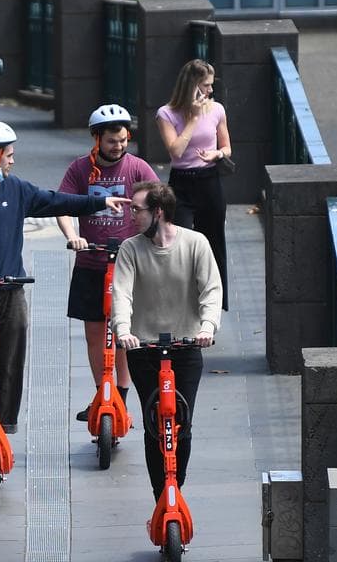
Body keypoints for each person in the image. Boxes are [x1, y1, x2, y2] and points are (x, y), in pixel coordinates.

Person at [0, 121, 128, 439]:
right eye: (9, 155)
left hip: (11, 288)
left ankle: (4, 426)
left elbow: (56, 200)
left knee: (11, 360)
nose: (12, 161)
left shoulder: (15, 189)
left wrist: (98, 202)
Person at [112, 181, 222, 500]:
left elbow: (211, 290)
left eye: (137, 209)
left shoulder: (195, 243)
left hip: (185, 347)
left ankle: (177, 489)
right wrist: (123, 330)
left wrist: (207, 327)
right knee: (154, 424)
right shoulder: (130, 248)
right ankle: (160, 496)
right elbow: (121, 293)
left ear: (158, 212)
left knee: (182, 423)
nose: (132, 215)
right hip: (143, 348)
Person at [55, 104, 158, 424]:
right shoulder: (79, 169)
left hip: (127, 264)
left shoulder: (137, 168)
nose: (119, 146)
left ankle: (121, 397)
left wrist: (150, 236)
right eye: (113, 141)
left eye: (124, 140)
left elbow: (160, 203)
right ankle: (102, 393)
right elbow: (62, 205)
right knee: (95, 335)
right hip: (91, 261)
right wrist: (73, 236)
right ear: (97, 138)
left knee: (124, 333)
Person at [155, 58, 232, 309]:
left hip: (209, 180)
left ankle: (214, 303)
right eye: (205, 85)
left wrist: (217, 154)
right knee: (180, 243)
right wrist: (193, 119)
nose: (210, 90)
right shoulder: (166, 114)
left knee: (214, 241)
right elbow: (176, 151)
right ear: (192, 86)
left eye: (211, 84)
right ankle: (183, 303)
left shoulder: (217, 109)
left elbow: (227, 147)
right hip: (181, 184)